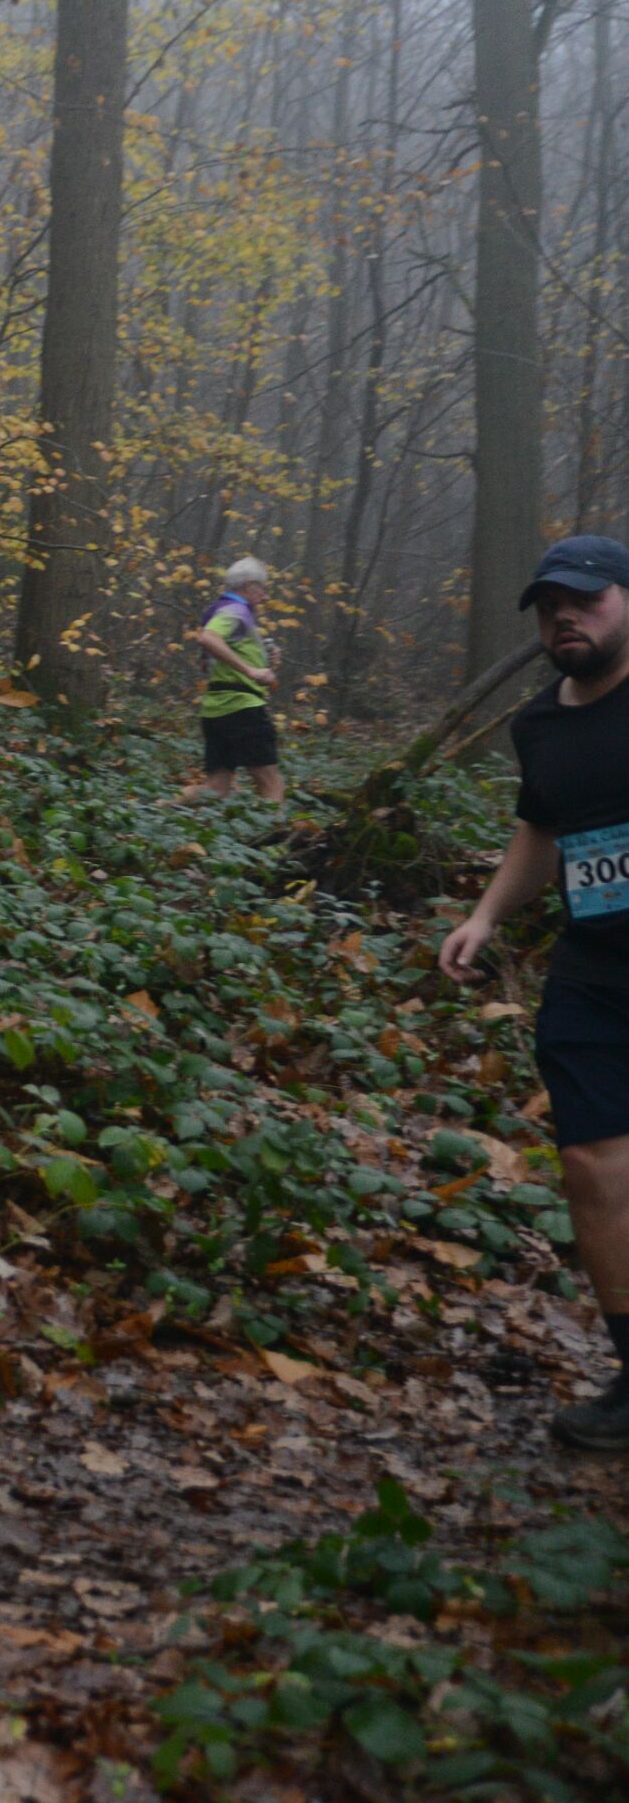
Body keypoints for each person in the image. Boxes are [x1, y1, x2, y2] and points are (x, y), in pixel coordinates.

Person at [441, 535, 629, 1452]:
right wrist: (484, 917)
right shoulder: (540, 724)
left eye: (587, 600)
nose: (566, 617)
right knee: (591, 1162)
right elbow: (539, 832)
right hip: (594, 969)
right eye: (551, 606)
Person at [181, 557, 283, 803]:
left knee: (215, 788)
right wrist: (251, 671)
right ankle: (275, 830)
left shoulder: (221, 609)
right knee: (272, 784)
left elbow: (220, 652)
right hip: (243, 709)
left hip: (216, 710)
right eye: (262, 588)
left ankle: (155, 808)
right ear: (248, 585)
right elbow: (208, 638)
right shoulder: (236, 611)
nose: (265, 596)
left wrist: (264, 661)